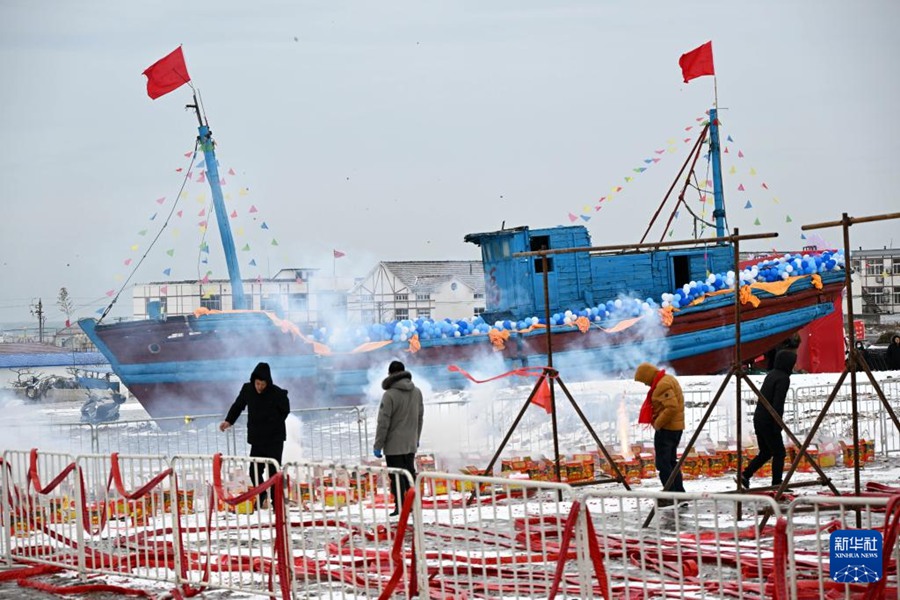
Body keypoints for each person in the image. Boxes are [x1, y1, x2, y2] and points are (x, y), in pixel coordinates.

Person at [219, 362, 290, 509]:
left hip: (274, 439)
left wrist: (273, 422)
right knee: (254, 471)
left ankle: (276, 504)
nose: (260, 387)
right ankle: (262, 497)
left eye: (262, 384)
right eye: (257, 384)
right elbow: (238, 405)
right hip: (257, 439)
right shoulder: (247, 389)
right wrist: (229, 421)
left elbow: (285, 410)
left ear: (268, 382)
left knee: (274, 472)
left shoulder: (277, 393)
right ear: (253, 381)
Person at [373, 360, 424, 516]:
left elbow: (383, 422)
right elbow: (420, 417)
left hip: (394, 444)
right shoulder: (417, 392)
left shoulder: (389, 395)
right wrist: (416, 437)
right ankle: (413, 504)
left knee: (396, 476)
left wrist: (378, 445)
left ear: (390, 375)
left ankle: (400, 506)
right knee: (409, 473)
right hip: (410, 443)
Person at [741, 349, 797, 488]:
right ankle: (777, 483)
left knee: (766, 452)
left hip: (759, 418)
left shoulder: (772, 374)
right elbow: (778, 402)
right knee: (779, 452)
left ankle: (745, 475)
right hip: (769, 419)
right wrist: (777, 423)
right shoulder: (783, 378)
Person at [634, 362, 686, 504]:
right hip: (675, 428)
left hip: (667, 429)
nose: (645, 384)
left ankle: (672, 495)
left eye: (644, 381)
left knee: (663, 464)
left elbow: (672, 407)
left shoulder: (662, 385)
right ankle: (679, 494)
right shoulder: (667, 379)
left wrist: (658, 423)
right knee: (670, 462)